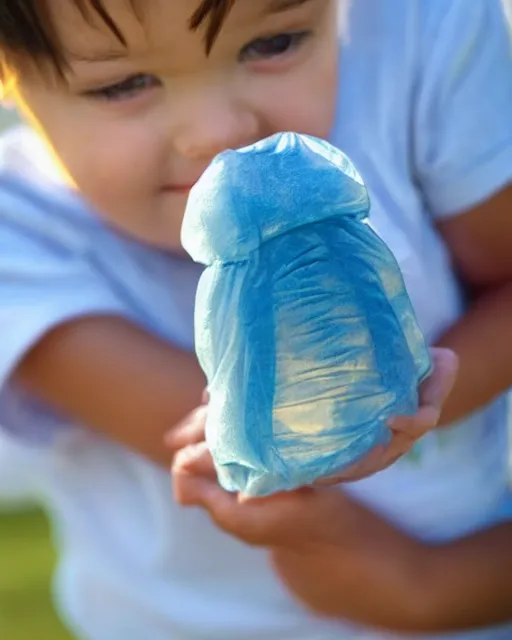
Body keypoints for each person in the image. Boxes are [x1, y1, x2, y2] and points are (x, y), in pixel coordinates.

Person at [0, 0, 510, 638]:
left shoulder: (420, 37)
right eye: (123, 84)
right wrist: (410, 580)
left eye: (275, 43)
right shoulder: (15, 237)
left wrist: (428, 580)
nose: (221, 132)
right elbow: (264, 431)